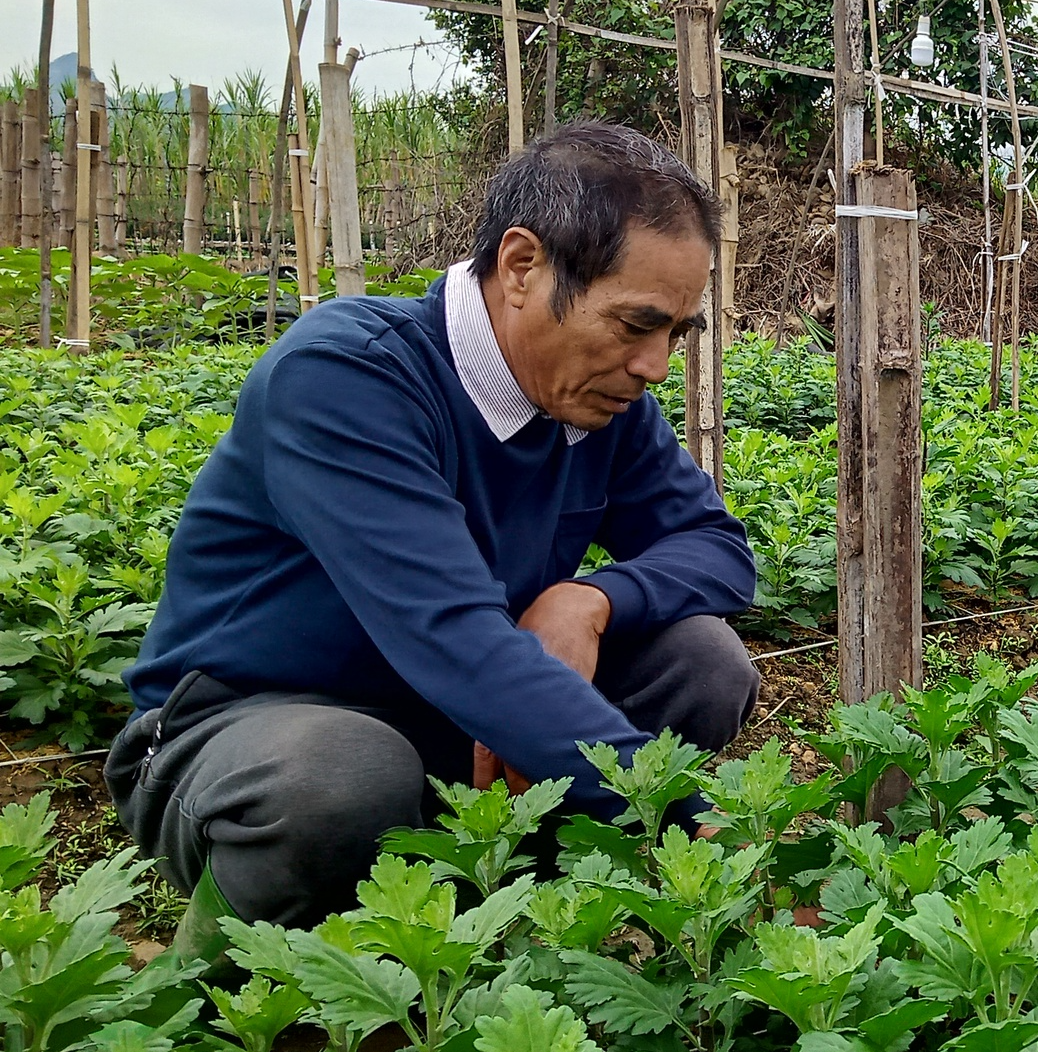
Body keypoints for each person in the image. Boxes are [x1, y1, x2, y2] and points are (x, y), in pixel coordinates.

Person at [105, 122, 760, 965]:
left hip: (454, 728)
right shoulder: (348, 377)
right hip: (247, 734)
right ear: (523, 267)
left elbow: (718, 549)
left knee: (700, 661)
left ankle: (516, 910)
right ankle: (214, 984)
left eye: (676, 331)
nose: (655, 364)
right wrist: (683, 823)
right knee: (344, 778)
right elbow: (453, 639)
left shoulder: (596, 399)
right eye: (636, 324)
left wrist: (588, 599)